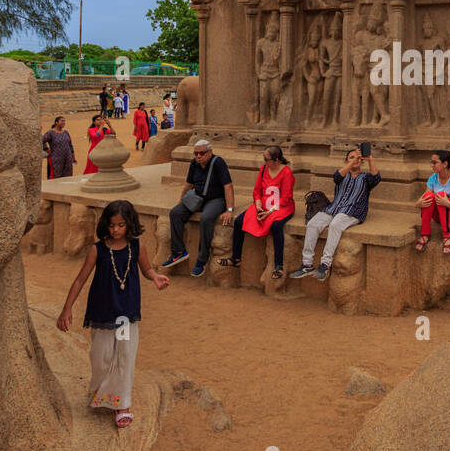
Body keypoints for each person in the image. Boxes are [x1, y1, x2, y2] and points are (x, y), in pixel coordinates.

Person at [55, 200, 169, 429]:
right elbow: (80, 279)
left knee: (125, 357)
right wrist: (66, 308)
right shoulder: (97, 249)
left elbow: (146, 269)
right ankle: (100, 392)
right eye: (111, 225)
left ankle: (122, 404)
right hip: (102, 313)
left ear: (129, 224)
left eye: (121, 225)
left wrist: (154, 276)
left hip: (126, 314)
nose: (115, 230)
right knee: (102, 357)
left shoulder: (137, 246)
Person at [293, 147, 380, 281]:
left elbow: (376, 178)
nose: (356, 159)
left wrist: (369, 160)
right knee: (312, 224)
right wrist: (352, 162)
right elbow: (337, 176)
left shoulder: (365, 177)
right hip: (332, 209)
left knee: (335, 225)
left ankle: (325, 265)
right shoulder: (342, 174)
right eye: (351, 157)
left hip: (353, 211)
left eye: (358, 158)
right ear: (346, 161)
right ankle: (307, 264)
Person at [218, 146, 295, 280]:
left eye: (267, 159)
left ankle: (279, 265)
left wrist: (269, 212)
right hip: (263, 205)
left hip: (281, 207)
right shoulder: (264, 169)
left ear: (276, 160)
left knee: (276, 226)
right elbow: (257, 190)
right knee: (239, 221)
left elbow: (286, 197)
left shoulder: (287, 173)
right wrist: (258, 203)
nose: (264, 161)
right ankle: (235, 258)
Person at [164, 139, 234, 277]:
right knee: (175, 213)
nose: (198, 156)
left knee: (206, 218)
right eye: (196, 153)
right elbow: (188, 185)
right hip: (198, 198)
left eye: (201, 153)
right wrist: (181, 202)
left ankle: (202, 259)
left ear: (210, 152)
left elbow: (228, 186)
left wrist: (229, 209)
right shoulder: (194, 163)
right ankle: (178, 252)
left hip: (216, 199)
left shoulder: (218, 162)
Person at [415, 150, 450, 255]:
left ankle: (447, 236)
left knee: (441, 195)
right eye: (431, 162)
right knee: (428, 196)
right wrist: (418, 204)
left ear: (445, 164)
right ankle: (425, 234)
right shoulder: (433, 178)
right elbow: (425, 197)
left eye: (435, 162)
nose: (431, 165)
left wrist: (446, 202)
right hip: (439, 215)